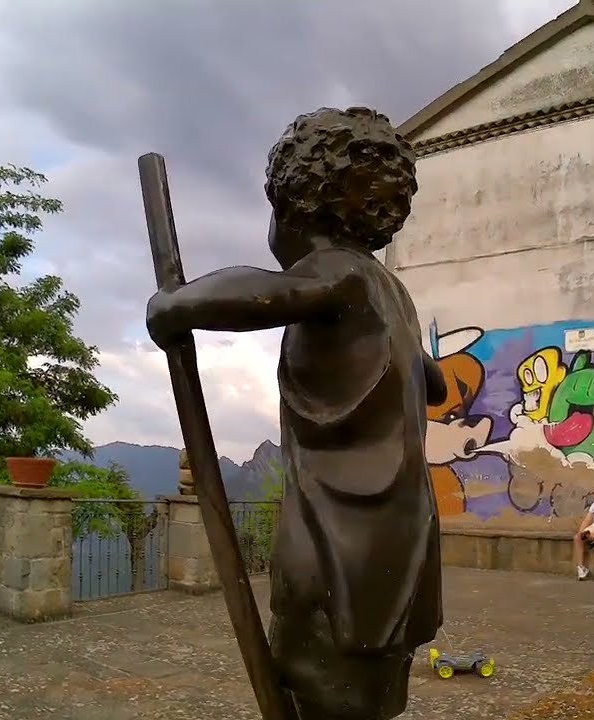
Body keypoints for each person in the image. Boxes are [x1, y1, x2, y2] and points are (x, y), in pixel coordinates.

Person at [147, 107, 447, 720]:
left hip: (336, 542)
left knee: (323, 694)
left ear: (293, 205)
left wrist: (176, 305)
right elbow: (435, 382)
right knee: (370, 703)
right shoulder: (395, 297)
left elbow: (265, 292)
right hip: (402, 538)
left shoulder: (340, 273)